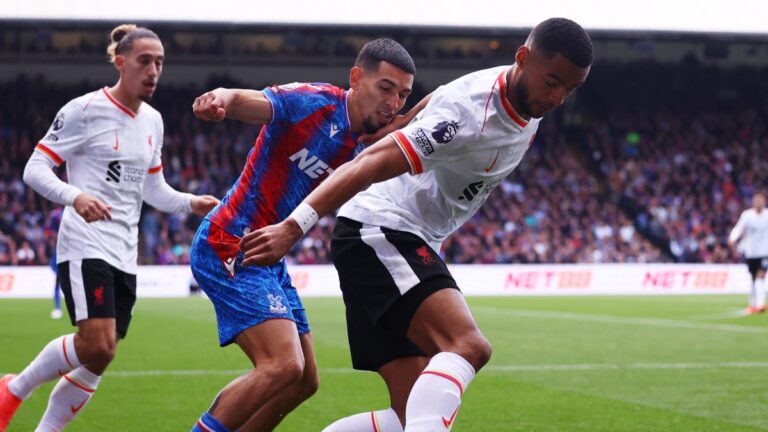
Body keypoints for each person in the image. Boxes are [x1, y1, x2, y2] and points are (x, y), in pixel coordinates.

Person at [239, 18, 593, 431]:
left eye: (569, 89)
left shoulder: (521, 97)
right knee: (468, 345)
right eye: (552, 82)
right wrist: (293, 227)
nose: (558, 97)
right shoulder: (468, 112)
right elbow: (368, 164)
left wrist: (403, 121)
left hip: (396, 236)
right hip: (382, 231)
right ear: (522, 59)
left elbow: (436, 100)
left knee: (408, 417)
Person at [188, 39, 423, 432]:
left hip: (269, 259)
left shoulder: (372, 140)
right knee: (283, 365)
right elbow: (251, 101)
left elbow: (427, 115)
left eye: (402, 94)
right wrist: (221, 99)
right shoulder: (313, 103)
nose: (394, 102)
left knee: (303, 381)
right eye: (385, 88)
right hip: (229, 242)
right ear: (356, 78)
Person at [0, 24, 218, 432]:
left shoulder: (153, 121)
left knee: (101, 355)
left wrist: (191, 203)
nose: (154, 71)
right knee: (97, 343)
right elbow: (34, 168)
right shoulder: (83, 110)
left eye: (160, 63)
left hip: (124, 251)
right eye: (144, 61)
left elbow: (153, 189)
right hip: (85, 243)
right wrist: (75, 196)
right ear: (120, 62)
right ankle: (15, 389)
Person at [728, 191, 768, 314]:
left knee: (760, 277)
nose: (758, 202)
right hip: (750, 253)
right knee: (753, 279)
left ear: (764, 201)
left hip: (764, 252)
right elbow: (739, 228)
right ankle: (752, 304)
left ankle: (760, 304)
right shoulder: (747, 215)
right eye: (756, 200)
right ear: (752, 202)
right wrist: (732, 238)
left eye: (760, 200)